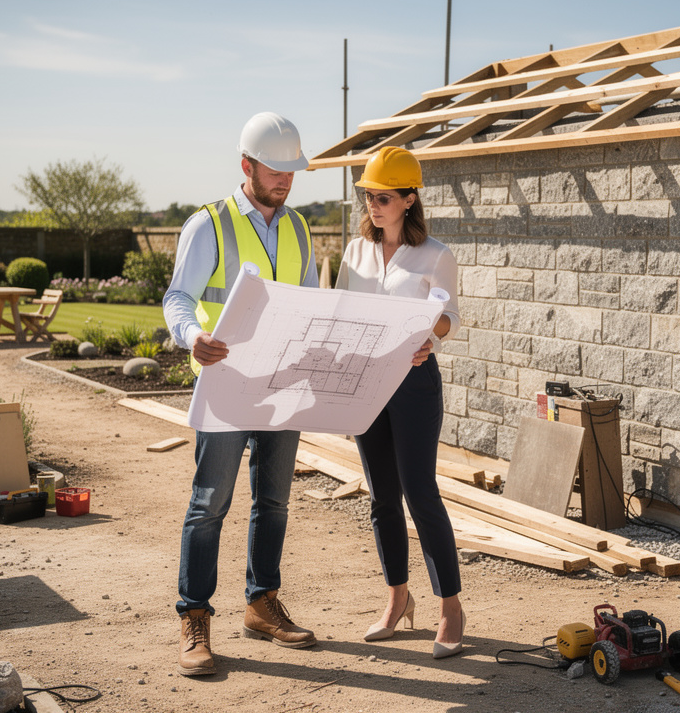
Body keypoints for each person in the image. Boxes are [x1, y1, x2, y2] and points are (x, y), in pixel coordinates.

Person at [163, 112, 320, 676]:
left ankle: (261, 603)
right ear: (247, 165)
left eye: (292, 171)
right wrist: (192, 337)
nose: (285, 180)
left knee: (273, 502)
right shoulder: (208, 225)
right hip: (226, 383)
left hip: (283, 388)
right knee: (210, 504)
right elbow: (178, 297)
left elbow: (309, 306)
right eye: (276, 169)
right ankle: (194, 617)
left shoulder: (300, 229)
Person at [335, 146, 465, 658]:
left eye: (384, 197)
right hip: (367, 383)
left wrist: (428, 333)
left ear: (410, 199)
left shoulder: (436, 254)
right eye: (368, 195)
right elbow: (342, 309)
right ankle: (397, 598)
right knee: (381, 496)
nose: (374, 204)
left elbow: (451, 317)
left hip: (413, 383)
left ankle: (450, 607)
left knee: (420, 491)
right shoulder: (355, 252)